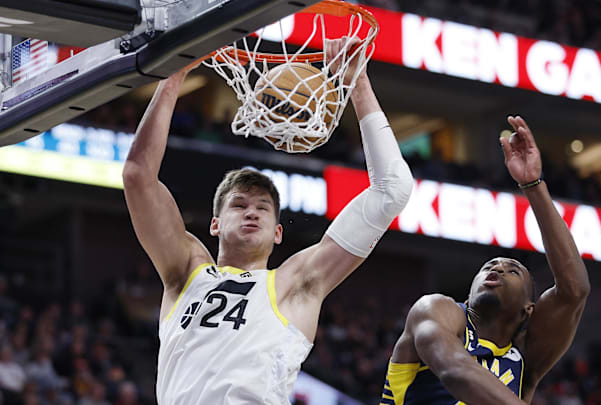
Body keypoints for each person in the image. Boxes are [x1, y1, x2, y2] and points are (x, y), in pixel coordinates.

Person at [122, 37, 413, 404]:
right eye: (239, 205)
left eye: (262, 207)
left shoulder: (296, 283)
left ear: (278, 233)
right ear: (214, 225)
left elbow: (393, 189)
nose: (251, 211)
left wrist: (359, 85)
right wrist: (173, 78)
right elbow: (137, 175)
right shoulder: (185, 270)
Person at [380, 116, 590, 404]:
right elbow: (456, 372)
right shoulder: (437, 310)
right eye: (489, 266)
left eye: (513, 270)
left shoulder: (526, 359)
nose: (498, 268)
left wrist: (534, 184)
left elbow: (574, 290)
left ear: (529, 309)